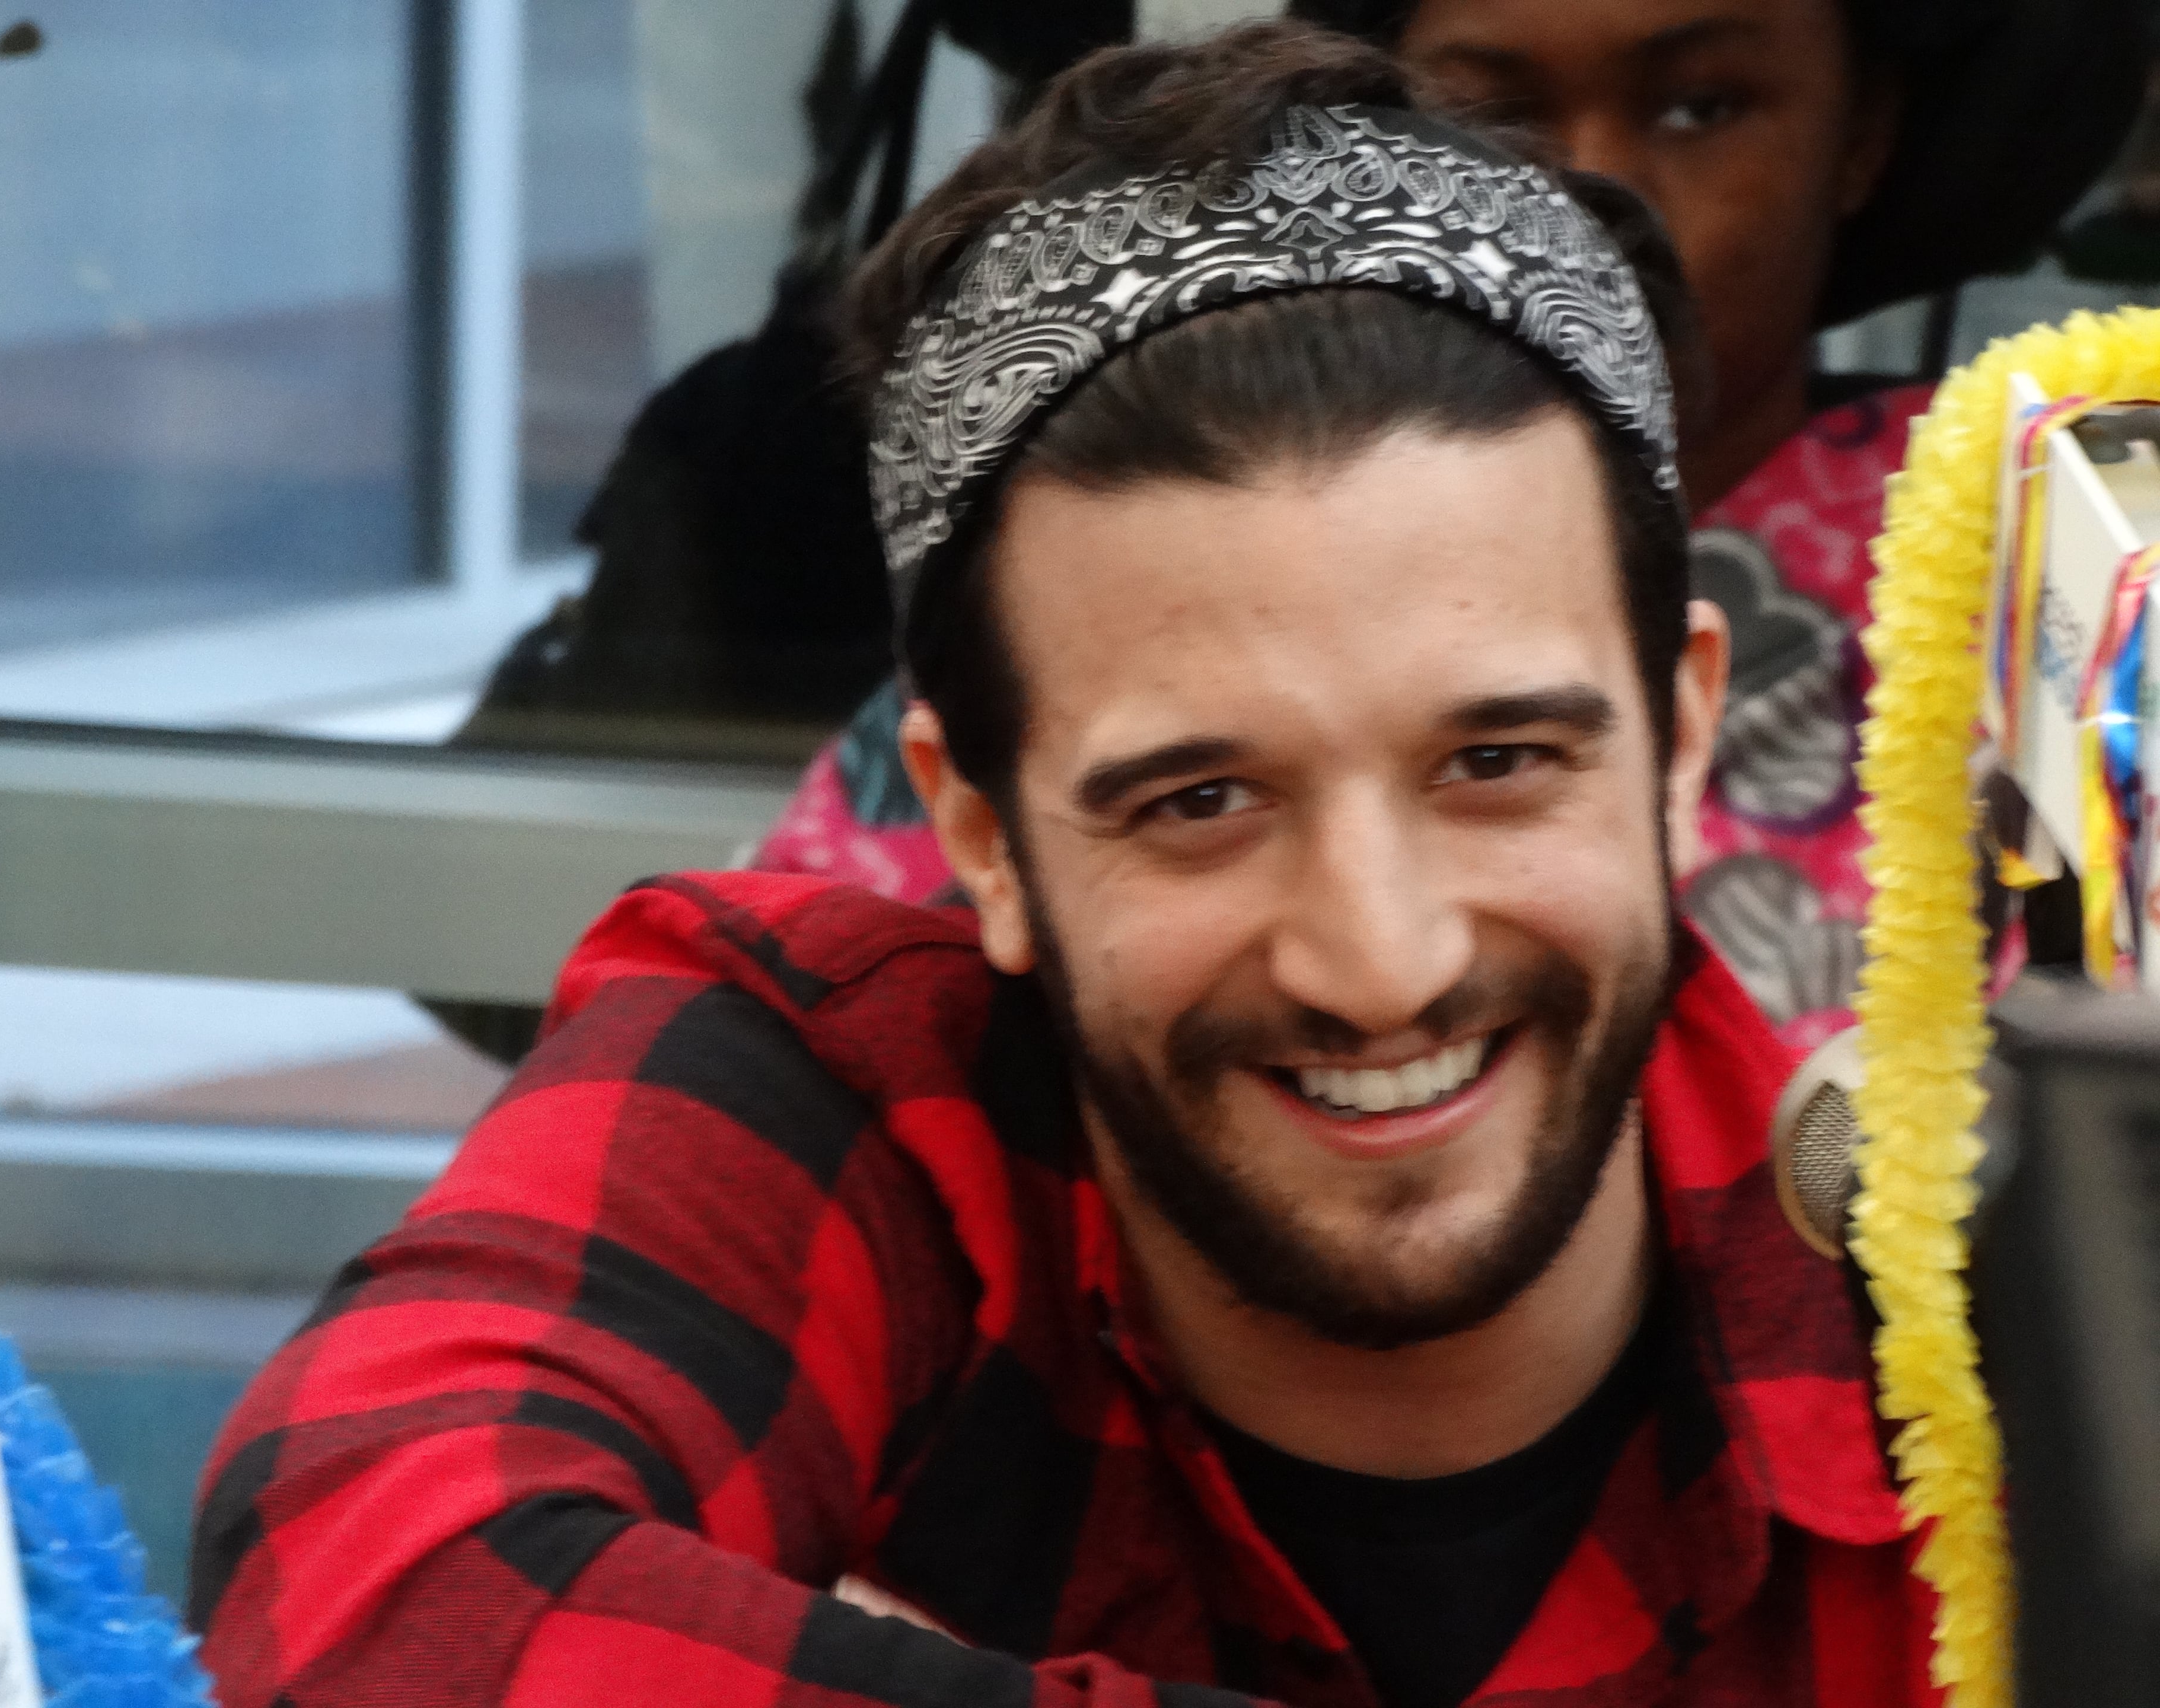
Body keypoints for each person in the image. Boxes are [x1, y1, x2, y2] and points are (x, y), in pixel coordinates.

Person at [192, 28, 1945, 1708]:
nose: (1381, 959)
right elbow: (381, 1584)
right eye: (1200, 801)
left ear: (1684, 738)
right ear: (980, 835)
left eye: (1495, 765)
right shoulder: (839, 1100)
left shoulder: (1944, 1290)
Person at [750, 0, 2147, 1049]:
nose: (1595, 195)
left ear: (1864, 133)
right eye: (1503, 125)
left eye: (1703, 110)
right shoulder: (1102, 619)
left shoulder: (2074, 571)